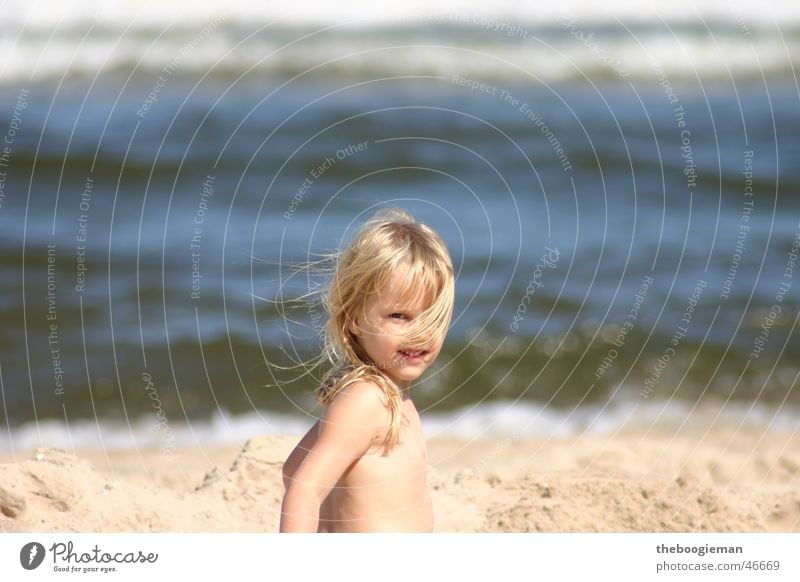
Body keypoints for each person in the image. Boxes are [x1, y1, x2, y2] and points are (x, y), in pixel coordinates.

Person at [279, 208, 455, 532]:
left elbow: (293, 468)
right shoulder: (367, 400)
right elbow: (304, 487)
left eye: (431, 317)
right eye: (399, 316)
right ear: (355, 318)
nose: (421, 333)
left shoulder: (380, 393)